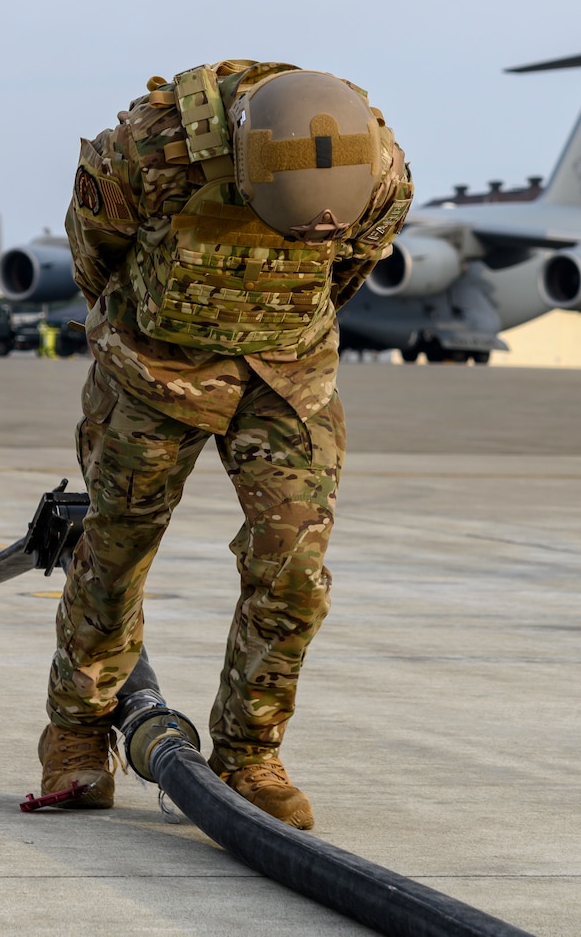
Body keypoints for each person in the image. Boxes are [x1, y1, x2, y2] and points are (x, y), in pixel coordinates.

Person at [38, 62, 413, 828]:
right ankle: (76, 732)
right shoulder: (146, 151)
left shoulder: (378, 170)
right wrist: (147, 328)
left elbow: (351, 266)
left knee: (295, 564)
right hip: (152, 365)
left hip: (285, 372)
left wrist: (265, 324)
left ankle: (249, 754)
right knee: (116, 548)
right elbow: (95, 256)